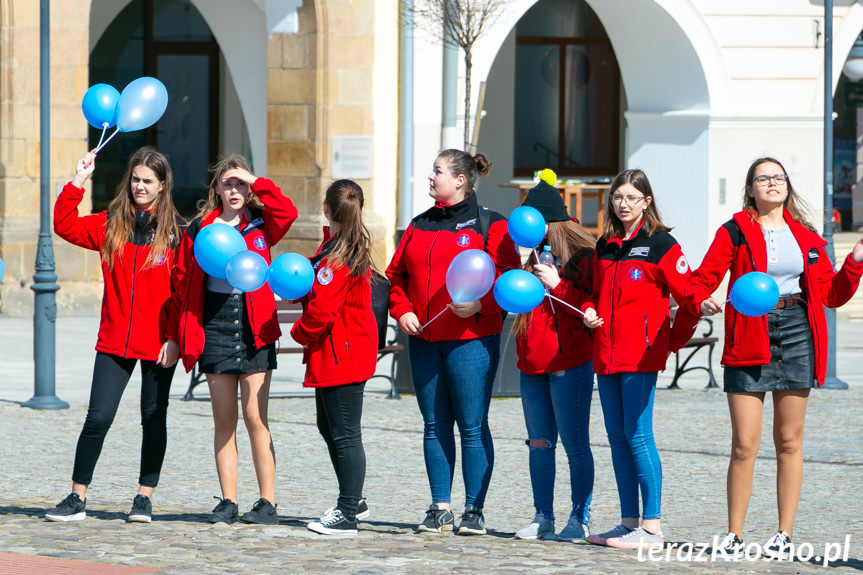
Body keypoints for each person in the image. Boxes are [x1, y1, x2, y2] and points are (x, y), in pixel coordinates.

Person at [686, 157, 863, 559]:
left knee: (789, 441)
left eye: (778, 178)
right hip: (749, 333)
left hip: (797, 331)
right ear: (750, 189)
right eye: (763, 178)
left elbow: (832, 295)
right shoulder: (733, 232)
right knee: (744, 444)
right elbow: (702, 279)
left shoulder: (807, 236)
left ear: (787, 186)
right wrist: (701, 300)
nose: (772, 183)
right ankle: (734, 534)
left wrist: (854, 263)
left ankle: (783, 534)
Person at [386, 149, 521, 535]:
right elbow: (395, 277)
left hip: (472, 341)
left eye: (438, 171)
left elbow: (511, 280)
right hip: (425, 339)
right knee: (434, 425)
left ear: (460, 180)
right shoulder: (417, 224)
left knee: (473, 426)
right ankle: (439, 506)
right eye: (432, 170)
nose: (431, 177)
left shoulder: (491, 225)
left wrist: (482, 302)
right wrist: (402, 310)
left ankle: (474, 510)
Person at [46, 147, 183, 523]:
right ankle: (77, 496)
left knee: (154, 418)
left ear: (162, 185)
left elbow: (183, 291)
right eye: (135, 179)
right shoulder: (110, 225)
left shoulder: (175, 234)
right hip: (114, 340)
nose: (140, 186)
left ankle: (144, 497)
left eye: (148, 181)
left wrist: (173, 338)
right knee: (98, 417)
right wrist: (78, 179)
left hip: (159, 345)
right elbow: (64, 224)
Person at [170, 154, 297, 525]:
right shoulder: (200, 228)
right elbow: (181, 277)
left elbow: (287, 212)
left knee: (256, 416)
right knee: (224, 419)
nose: (235, 190)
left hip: (255, 328)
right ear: (217, 189)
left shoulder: (261, 224)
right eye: (228, 183)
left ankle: (267, 502)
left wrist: (257, 179)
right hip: (215, 325)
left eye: (241, 184)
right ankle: (228, 500)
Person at [581, 168, 697, 550]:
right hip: (607, 354)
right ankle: (628, 521)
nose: (623, 204)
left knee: (638, 435)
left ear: (646, 201)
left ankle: (652, 528)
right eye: (618, 197)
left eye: (632, 197)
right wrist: (587, 310)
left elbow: (690, 299)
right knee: (616, 439)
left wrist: (670, 343)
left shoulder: (662, 244)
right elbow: (594, 294)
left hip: (641, 355)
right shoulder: (605, 245)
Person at [512, 177, 597, 542]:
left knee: (576, 444)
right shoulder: (524, 252)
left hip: (570, 362)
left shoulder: (582, 255)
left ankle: (580, 517)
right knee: (539, 444)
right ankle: (542, 515)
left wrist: (556, 282)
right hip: (531, 363)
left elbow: (591, 306)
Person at [291, 179, 378, 536]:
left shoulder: (337, 257)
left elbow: (323, 311)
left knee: (344, 433)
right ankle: (352, 498)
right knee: (330, 427)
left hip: (342, 352)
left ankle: (348, 511)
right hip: (339, 351)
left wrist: (297, 332)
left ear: (327, 209)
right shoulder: (339, 246)